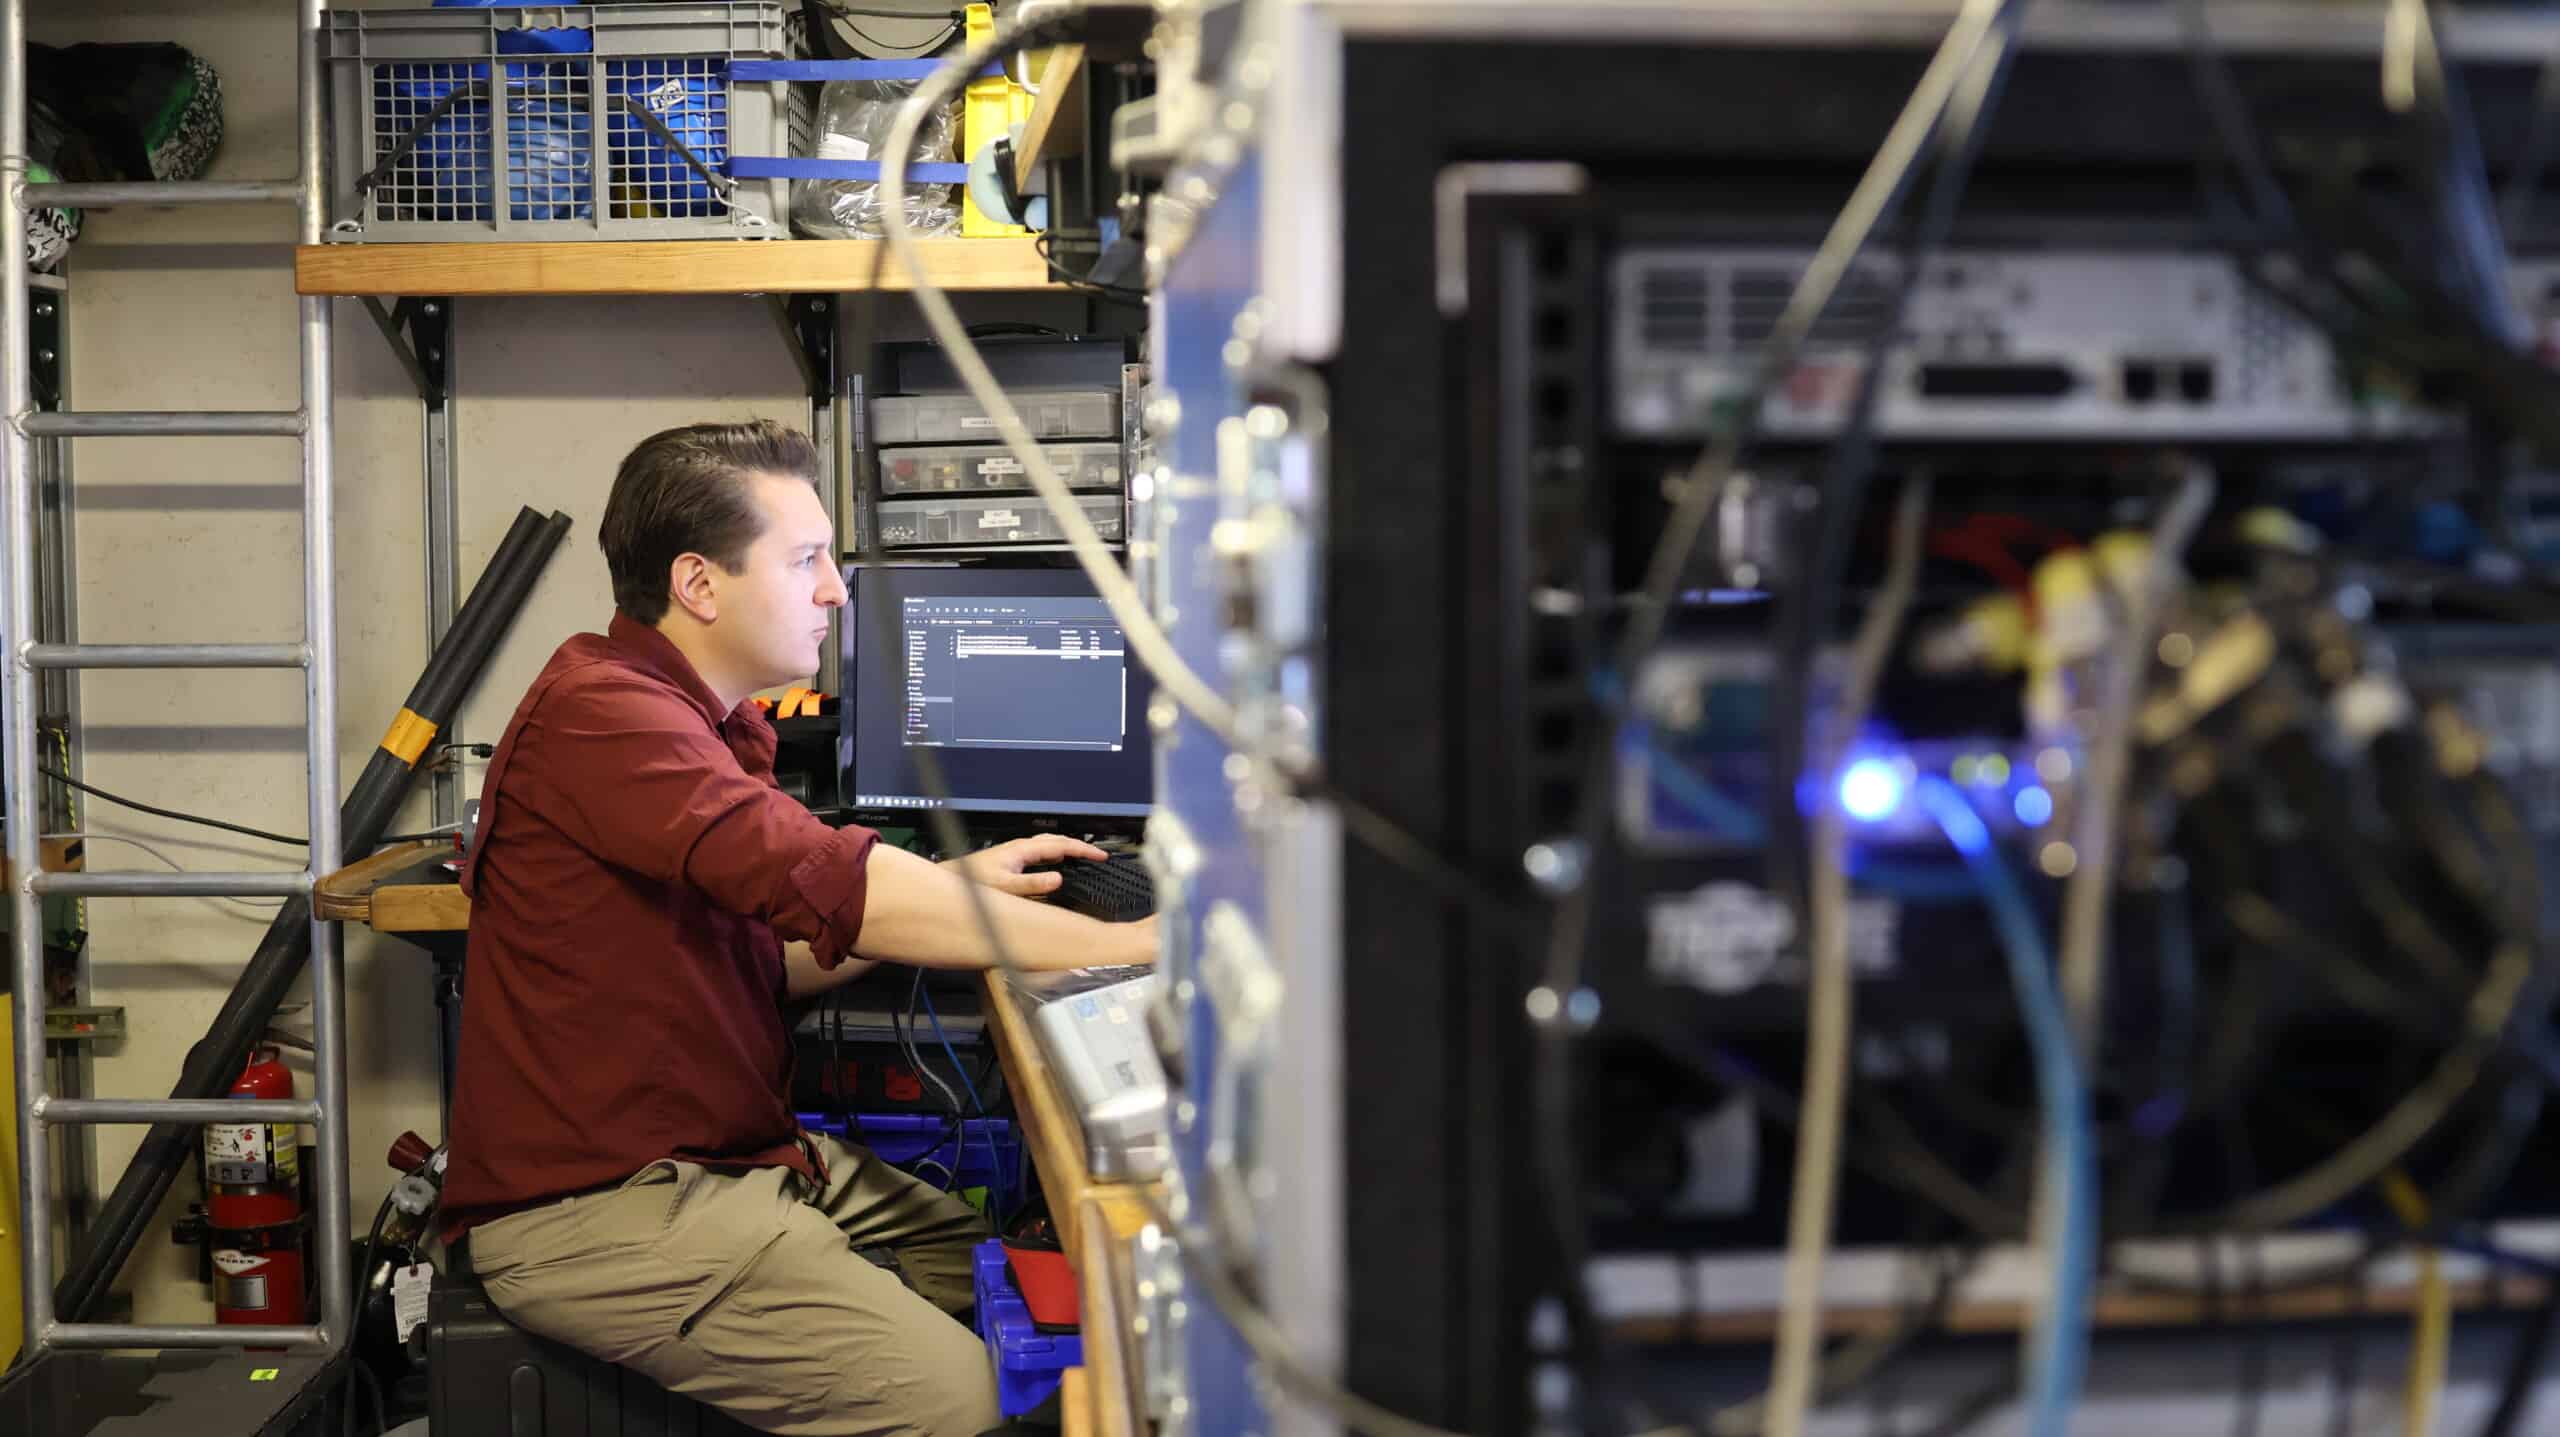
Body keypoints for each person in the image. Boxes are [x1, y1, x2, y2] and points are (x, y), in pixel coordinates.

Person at [441, 419, 1154, 1436]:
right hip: (605, 1214)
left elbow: (760, 964)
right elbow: (832, 881)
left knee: (1028, 1272)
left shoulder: (710, 723)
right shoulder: (604, 716)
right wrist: (1137, 950)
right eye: (806, 559)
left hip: (739, 1162)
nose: (834, 590)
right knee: (969, 1409)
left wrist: (954, 884)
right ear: (699, 585)